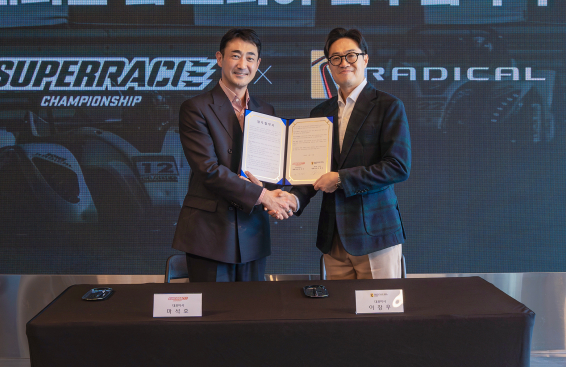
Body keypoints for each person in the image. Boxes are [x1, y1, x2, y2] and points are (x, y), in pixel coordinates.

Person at [172, 28, 298, 282]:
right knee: (212, 306)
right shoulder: (195, 108)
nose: (243, 65)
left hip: (253, 233)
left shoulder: (266, 110)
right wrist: (264, 196)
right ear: (220, 58)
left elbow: (271, 167)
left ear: (258, 64)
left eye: (250, 58)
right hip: (209, 234)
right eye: (235, 56)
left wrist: (285, 196)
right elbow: (208, 170)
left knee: (251, 306)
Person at [288, 28, 411, 280]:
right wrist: (293, 200)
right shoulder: (319, 113)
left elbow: (397, 166)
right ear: (328, 66)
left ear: (365, 59)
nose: (344, 63)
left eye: (351, 55)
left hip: (376, 234)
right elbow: (312, 170)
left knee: (381, 304)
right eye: (336, 58)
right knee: (339, 306)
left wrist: (341, 179)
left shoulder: (388, 106)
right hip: (333, 238)